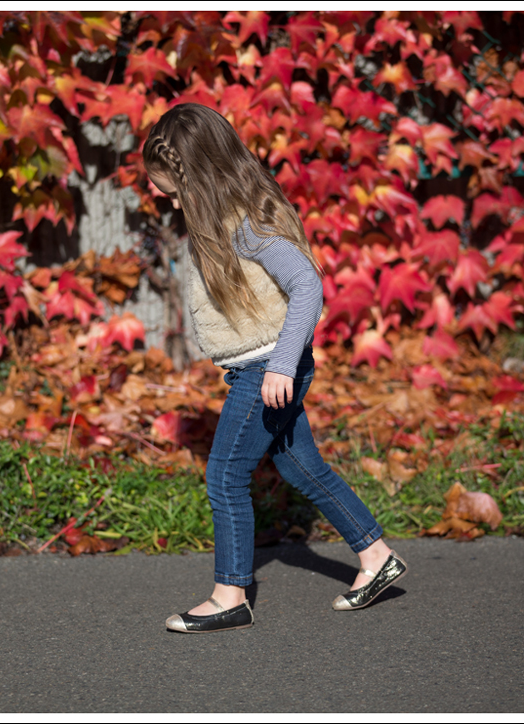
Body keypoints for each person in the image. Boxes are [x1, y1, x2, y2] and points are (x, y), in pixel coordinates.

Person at [143, 103, 407, 633]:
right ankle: (376, 557)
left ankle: (230, 595)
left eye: (169, 186)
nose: (158, 196)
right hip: (262, 367)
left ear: (198, 176)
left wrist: (282, 366)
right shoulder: (223, 221)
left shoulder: (246, 225)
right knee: (299, 466)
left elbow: (307, 284)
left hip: (268, 368)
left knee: (224, 476)